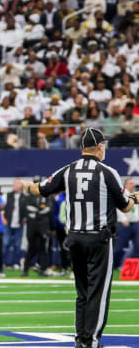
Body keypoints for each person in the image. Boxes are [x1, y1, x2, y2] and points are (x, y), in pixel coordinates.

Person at [22, 127, 139, 348]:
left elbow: (42, 188)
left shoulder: (68, 170)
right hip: (98, 238)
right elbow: (125, 206)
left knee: (83, 291)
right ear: (100, 147)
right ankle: (91, 341)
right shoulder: (107, 172)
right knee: (98, 292)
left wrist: (27, 187)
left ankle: (82, 340)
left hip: (75, 238)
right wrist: (134, 197)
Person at [22, 175, 54, 277]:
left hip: (43, 226)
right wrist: (39, 211)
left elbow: (49, 209)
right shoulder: (28, 195)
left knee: (43, 248)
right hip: (32, 226)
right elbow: (27, 208)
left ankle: (43, 269)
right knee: (31, 247)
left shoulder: (46, 195)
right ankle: (25, 269)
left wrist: (38, 212)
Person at [114, 178, 139, 269]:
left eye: (133, 183)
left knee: (138, 245)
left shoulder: (136, 194)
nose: (133, 185)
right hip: (124, 223)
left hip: (135, 223)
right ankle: (114, 264)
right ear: (126, 185)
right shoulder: (123, 193)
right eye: (131, 183)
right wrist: (123, 219)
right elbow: (118, 207)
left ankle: (133, 266)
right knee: (120, 246)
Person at [3, 178, 26, 271]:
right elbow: (2, 209)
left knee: (17, 244)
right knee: (6, 243)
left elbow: (26, 210)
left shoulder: (25, 197)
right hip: (8, 223)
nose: (16, 185)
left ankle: (16, 263)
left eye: (18, 183)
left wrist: (24, 220)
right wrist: (3, 219)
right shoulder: (6, 196)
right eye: (15, 183)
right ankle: (3, 263)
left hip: (19, 224)